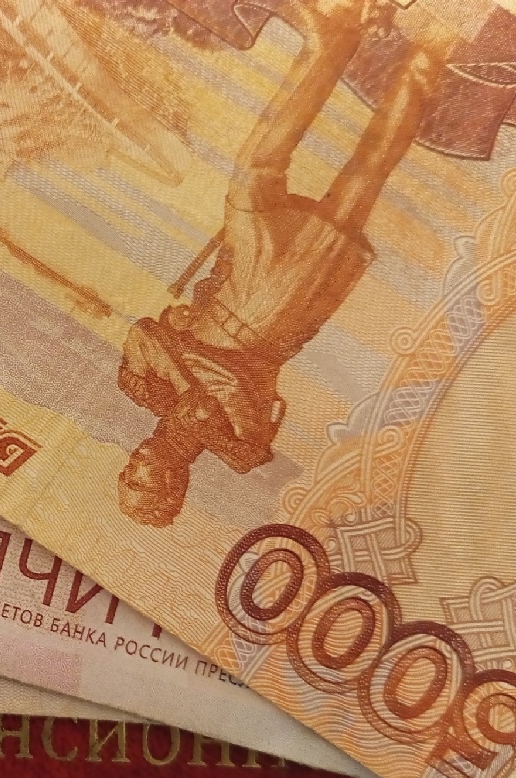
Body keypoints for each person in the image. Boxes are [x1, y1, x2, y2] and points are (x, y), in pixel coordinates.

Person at [117, 0, 449, 526]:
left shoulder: (149, 390)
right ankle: (428, 60)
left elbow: (146, 333)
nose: (136, 465)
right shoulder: (239, 446)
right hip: (272, 313)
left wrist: (175, 370)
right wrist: (186, 370)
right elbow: (234, 382)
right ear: (173, 485)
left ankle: (331, 44)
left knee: (254, 169)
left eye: (126, 474)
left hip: (232, 283)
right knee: (359, 181)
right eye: (144, 481)